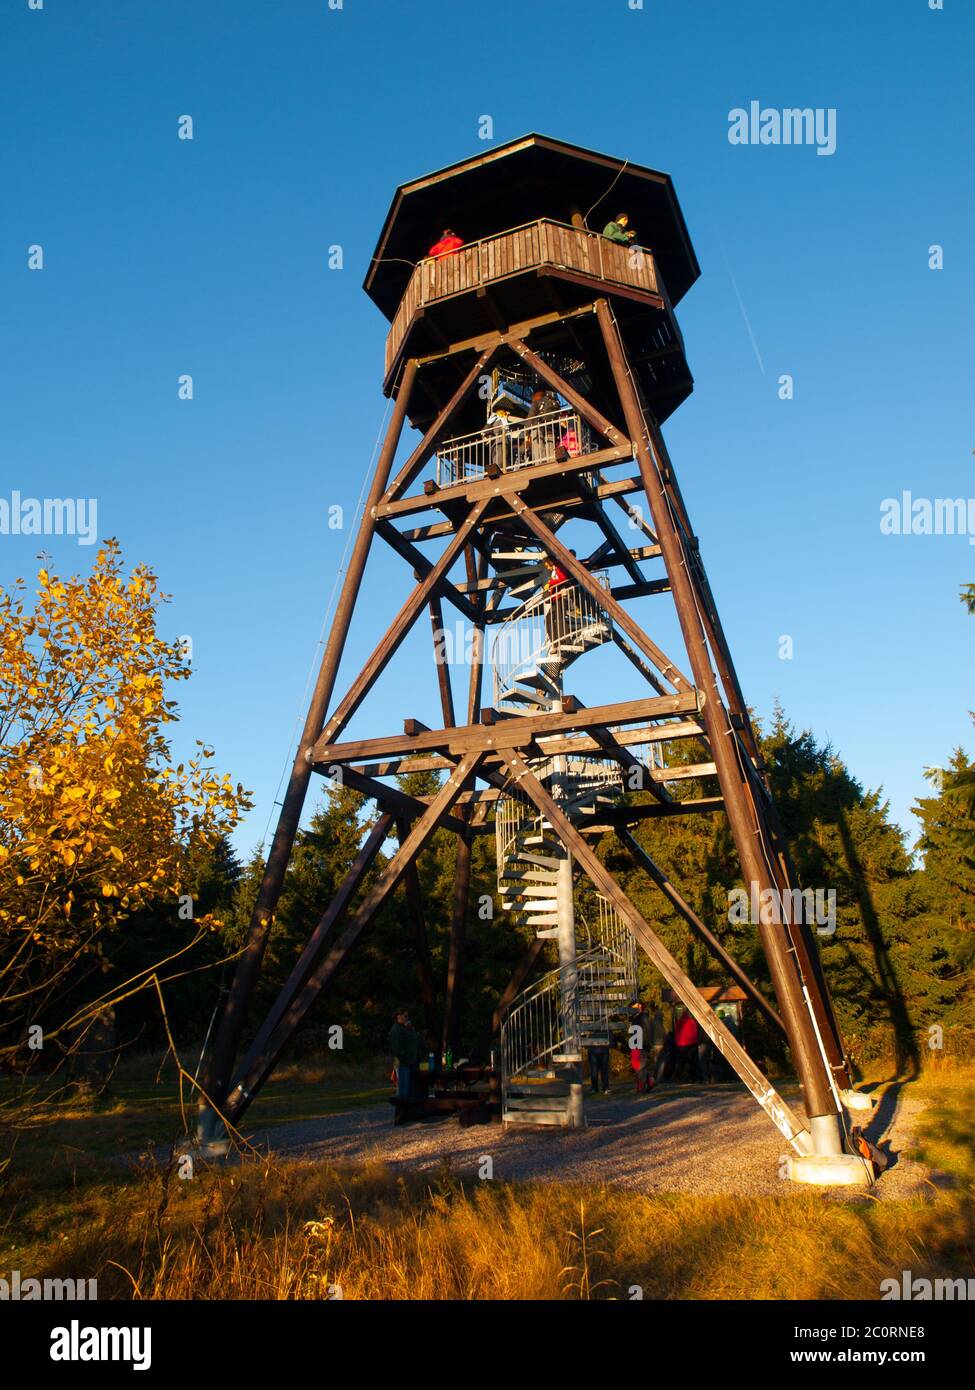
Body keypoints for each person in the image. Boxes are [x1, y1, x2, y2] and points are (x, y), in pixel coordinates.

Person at [387, 1007, 422, 1101]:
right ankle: (401, 1113)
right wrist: (406, 1058)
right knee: (403, 1092)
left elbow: (416, 1040)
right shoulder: (396, 1029)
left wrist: (411, 1029)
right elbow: (396, 1048)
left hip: (410, 1063)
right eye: (405, 1016)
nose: (407, 1018)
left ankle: (409, 1112)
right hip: (403, 1064)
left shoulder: (406, 1028)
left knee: (410, 1091)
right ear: (398, 1016)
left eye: (407, 1016)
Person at [628, 1000, 656, 1095]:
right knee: (637, 1066)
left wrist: (648, 1043)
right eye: (634, 1007)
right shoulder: (635, 1018)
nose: (636, 1009)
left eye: (638, 1007)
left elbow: (648, 1030)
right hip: (636, 1044)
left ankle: (642, 1087)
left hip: (641, 1045)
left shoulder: (643, 1016)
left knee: (641, 1067)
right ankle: (649, 1082)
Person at [672, 1005, 700, 1082]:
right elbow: (695, 1032)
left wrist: (678, 1043)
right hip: (692, 1044)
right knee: (693, 1062)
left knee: (681, 1062)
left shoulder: (679, 1022)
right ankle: (693, 1078)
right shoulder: (692, 1021)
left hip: (682, 1045)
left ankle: (678, 1077)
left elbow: (677, 1033)